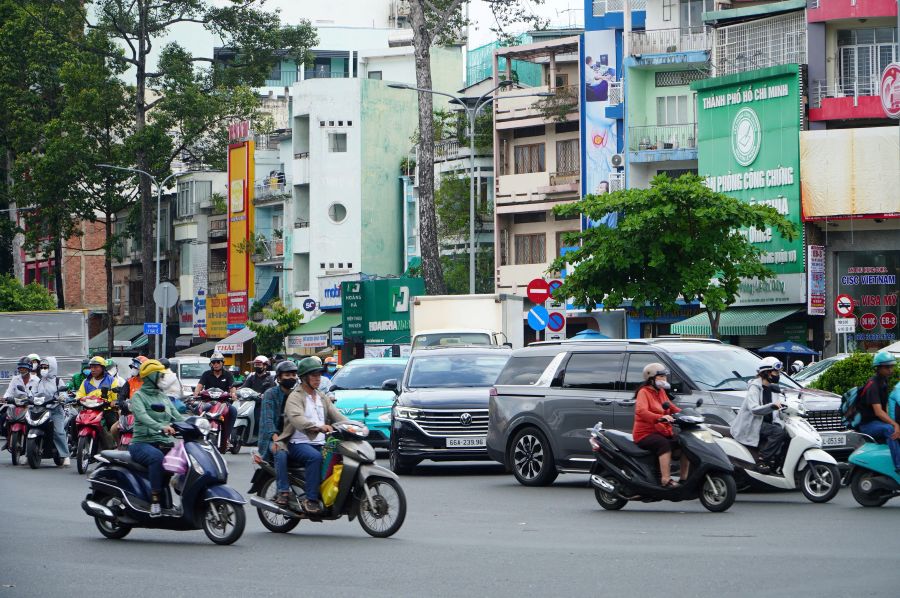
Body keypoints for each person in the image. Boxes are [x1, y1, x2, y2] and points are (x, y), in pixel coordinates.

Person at [272, 356, 347, 514]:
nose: (318, 378)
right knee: (315, 458)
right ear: (304, 378)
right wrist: (318, 427)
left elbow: (337, 415)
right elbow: (297, 419)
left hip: (320, 442)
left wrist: (354, 426)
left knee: (342, 456)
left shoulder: (321, 396)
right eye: (313, 375)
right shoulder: (295, 397)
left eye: (319, 375)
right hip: (296, 443)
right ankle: (311, 499)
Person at [128, 359, 185, 517]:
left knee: (187, 458)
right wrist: (162, 427)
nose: (163, 379)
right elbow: (143, 416)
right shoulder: (138, 396)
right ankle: (155, 500)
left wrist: (197, 425)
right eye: (160, 376)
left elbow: (177, 416)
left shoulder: (163, 396)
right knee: (157, 458)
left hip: (163, 442)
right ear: (151, 377)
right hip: (142, 443)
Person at [632, 363, 688, 487]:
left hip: (662, 431)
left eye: (665, 376)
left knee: (685, 443)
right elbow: (641, 411)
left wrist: (687, 415)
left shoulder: (661, 391)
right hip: (645, 434)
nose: (664, 379)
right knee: (664, 444)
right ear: (651, 378)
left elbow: (671, 407)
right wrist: (659, 417)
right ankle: (666, 480)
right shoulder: (644, 392)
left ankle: (684, 478)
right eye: (661, 376)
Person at [730, 357, 787, 474]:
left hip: (765, 423)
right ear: (767, 373)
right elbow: (754, 410)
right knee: (778, 432)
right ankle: (762, 460)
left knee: (787, 432)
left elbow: (776, 411)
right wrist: (772, 406)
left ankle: (778, 463)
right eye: (776, 372)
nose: (778, 375)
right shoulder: (754, 388)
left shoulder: (772, 388)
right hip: (752, 424)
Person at [856, 351, 900, 474]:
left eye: (891, 366)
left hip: (877, 422)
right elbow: (879, 412)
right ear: (878, 368)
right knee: (890, 430)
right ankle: (898, 466)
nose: (890, 370)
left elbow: (884, 408)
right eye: (887, 367)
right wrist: (895, 424)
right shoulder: (873, 385)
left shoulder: (883, 382)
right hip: (867, 425)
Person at [255, 359, 298, 470]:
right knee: (281, 453)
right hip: (273, 438)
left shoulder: (297, 395)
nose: (291, 378)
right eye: (287, 375)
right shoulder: (270, 394)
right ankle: (282, 482)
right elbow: (268, 420)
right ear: (279, 378)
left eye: (293, 375)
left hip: (294, 439)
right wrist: (276, 440)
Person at [193, 351, 237, 452]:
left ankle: (227, 437)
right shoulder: (206, 374)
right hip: (207, 402)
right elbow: (199, 386)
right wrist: (196, 393)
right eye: (213, 362)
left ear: (222, 363)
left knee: (233, 411)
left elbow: (232, 387)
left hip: (223, 403)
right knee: (196, 409)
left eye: (218, 362)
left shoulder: (228, 375)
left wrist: (233, 394)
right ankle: (195, 435)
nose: (216, 364)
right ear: (211, 364)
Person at [75, 356, 120, 448]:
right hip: (89, 410)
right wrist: (77, 399)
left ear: (103, 368)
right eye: (91, 367)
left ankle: (116, 445)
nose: (93, 370)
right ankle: (75, 444)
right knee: (74, 420)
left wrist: (114, 402)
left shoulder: (112, 380)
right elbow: (80, 394)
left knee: (114, 425)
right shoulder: (86, 382)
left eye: (96, 367)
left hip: (106, 410)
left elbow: (116, 397)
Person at [35, 357, 70, 467]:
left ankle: (65, 455)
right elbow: (33, 393)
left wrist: (62, 397)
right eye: (42, 367)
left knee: (58, 432)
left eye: (46, 367)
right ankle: (28, 454)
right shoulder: (39, 381)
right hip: (41, 410)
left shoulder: (58, 381)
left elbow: (64, 394)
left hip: (55, 411)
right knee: (31, 427)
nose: (43, 369)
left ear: (52, 368)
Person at [2, 357, 40, 445]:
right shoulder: (15, 379)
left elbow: (39, 393)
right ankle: (8, 438)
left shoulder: (36, 380)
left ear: (29, 368)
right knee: (3, 418)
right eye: (20, 368)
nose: (21, 370)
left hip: (30, 407)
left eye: (24, 368)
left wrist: (35, 400)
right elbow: (9, 391)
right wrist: (5, 398)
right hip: (16, 405)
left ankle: (34, 441)